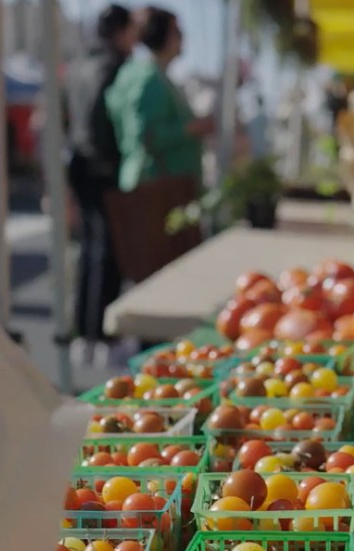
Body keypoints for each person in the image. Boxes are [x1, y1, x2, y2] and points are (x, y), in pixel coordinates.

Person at [105, 7, 214, 277]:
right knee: (161, 277)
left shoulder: (141, 73)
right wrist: (190, 128)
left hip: (156, 189)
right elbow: (145, 136)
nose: (183, 39)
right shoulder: (147, 78)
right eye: (178, 32)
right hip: (157, 191)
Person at [63, 4, 138, 366]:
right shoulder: (113, 66)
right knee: (107, 252)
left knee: (90, 251)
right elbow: (104, 122)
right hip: (102, 167)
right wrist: (113, 160)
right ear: (120, 32)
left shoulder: (80, 65)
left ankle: (86, 333)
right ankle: (102, 333)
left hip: (78, 162)